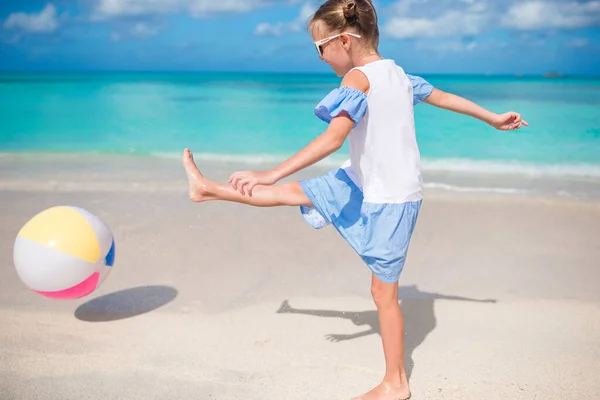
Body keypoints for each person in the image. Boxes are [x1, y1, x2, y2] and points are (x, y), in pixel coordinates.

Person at [182, 1, 527, 399]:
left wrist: (270, 170)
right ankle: (207, 189)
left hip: (391, 199)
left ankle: (396, 384)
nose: (320, 57)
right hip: (362, 180)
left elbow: (334, 138)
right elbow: (445, 97)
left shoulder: (358, 81)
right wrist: (493, 117)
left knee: (383, 294)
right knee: (296, 194)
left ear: (344, 40)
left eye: (320, 47)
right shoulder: (396, 73)